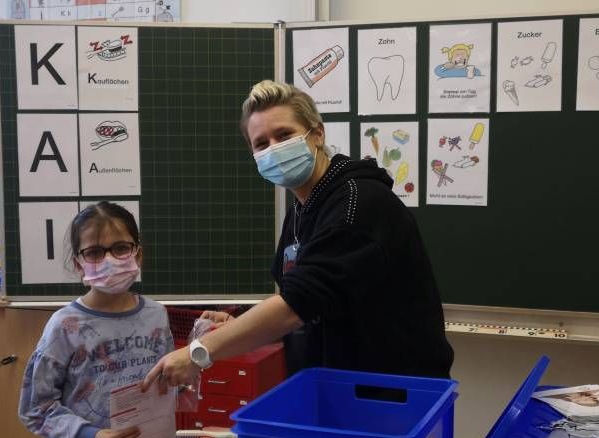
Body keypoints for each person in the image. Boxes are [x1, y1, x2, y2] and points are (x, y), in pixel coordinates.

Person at [143, 79, 453, 391]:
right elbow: (307, 297)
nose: (274, 149)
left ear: (317, 134)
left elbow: (296, 305)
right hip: (334, 388)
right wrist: (241, 326)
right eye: (261, 144)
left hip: (390, 395)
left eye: (284, 135)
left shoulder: (357, 203)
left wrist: (199, 352)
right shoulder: (303, 208)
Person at [19, 201, 173, 438]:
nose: (109, 260)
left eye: (121, 248)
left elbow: (168, 384)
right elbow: (35, 408)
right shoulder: (64, 326)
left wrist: (198, 347)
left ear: (138, 254)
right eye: (94, 252)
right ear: (79, 264)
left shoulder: (156, 316)